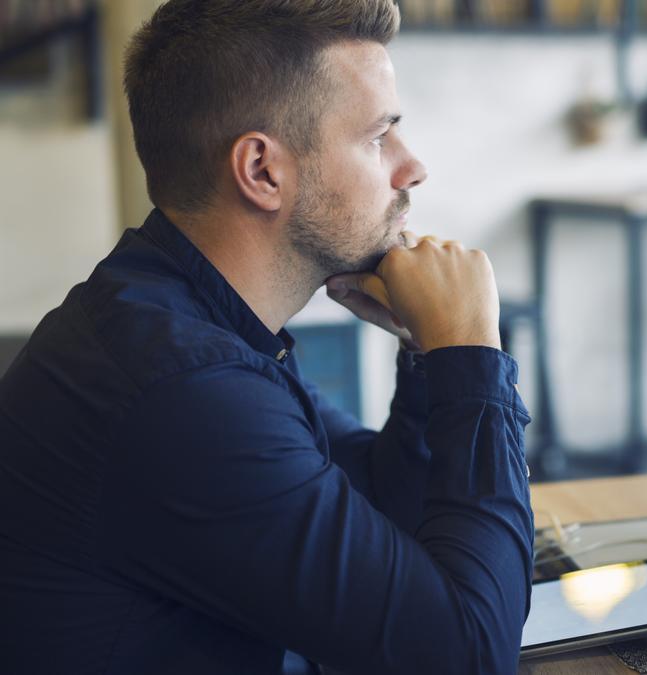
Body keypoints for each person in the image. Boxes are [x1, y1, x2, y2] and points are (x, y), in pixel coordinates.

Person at [0, 2, 533, 673]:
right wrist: (472, 355)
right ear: (261, 170)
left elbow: (375, 514)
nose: (412, 167)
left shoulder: (190, 318)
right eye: (377, 138)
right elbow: (470, 657)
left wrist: (431, 357)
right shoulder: (182, 387)